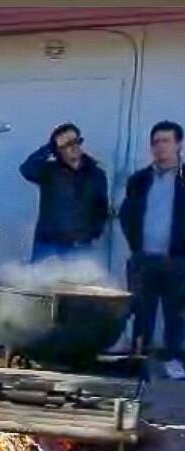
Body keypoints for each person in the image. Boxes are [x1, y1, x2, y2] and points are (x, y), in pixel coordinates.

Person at [119, 120, 185, 379]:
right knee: (141, 313)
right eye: (155, 142)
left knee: (176, 315)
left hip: (177, 261)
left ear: (178, 144)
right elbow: (127, 215)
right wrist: (135, 244)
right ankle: (139, 360)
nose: (160, 148)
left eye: (166, 141)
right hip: (143, 260)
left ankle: (175, 361)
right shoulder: (139, 180)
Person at [19, 123, 110, 263]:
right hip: (48, 245)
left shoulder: (96, 174)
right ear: (58, 149)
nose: (74, 147)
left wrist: (93, 233)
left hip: (80, 247)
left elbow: (101, 207)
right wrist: (49, 146)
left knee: (79, 284)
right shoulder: (50, 171)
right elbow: (26, 169)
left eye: (77, 141)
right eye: (67, 144)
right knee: (41, 284)